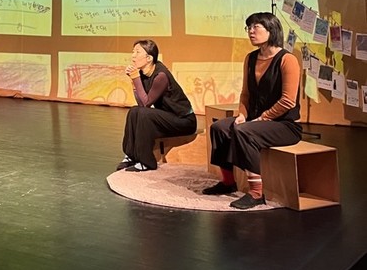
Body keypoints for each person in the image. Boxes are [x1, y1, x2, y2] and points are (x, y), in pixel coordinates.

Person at [204, 12, 301, 210]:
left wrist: (262, 118)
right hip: (255, 120)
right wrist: (242, 114)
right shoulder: (251, 58)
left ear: (271, 30)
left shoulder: (287, 59)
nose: (250, 31)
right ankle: (228, 182)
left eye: (256, 27)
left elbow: (288, 101)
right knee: (219, 128)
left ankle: (256, 193)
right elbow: (245, 94)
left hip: (284, 125)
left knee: (244, 131)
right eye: (249, 27)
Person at [117, 40, 196, 172]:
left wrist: (135, 78)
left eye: (137, 52)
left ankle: (146, 161)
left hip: (183, 120)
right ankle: (131, 155)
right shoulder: (143, 73)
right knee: (134, 111)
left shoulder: (161, 75)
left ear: (149, 58)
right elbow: (141, 104)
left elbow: (146, 104)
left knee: (143, 114)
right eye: (133, 52)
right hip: (168, 116)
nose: (133, 56)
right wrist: (134, 82)